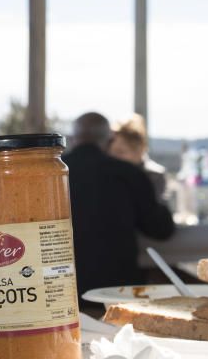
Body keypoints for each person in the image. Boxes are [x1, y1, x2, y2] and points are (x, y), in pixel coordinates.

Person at [63, 112, 175, 305]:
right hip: (117, 291)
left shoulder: (51, 174)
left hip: (62, 289)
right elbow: (161, 229)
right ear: (110, 140)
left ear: (72, 139)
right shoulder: (129, 173)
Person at [108, 113, 168, 203]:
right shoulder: (107, 173)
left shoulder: (154, 176)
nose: (113, 157)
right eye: (110, 152)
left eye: (120, 152)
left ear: (139, 150)